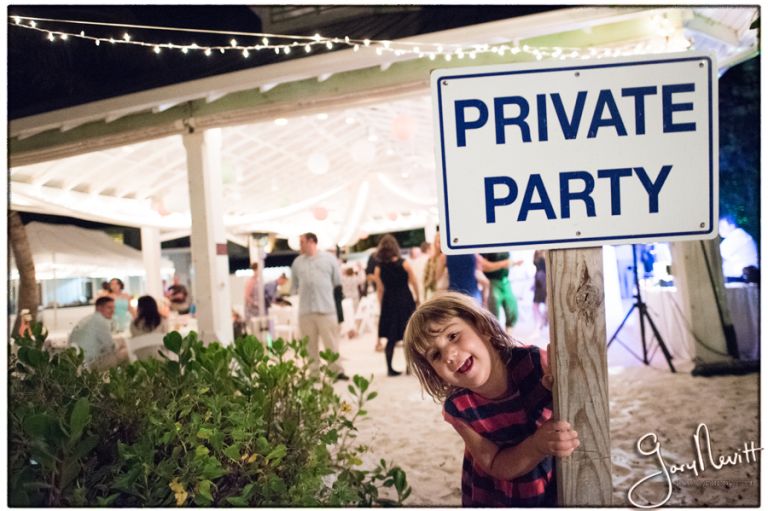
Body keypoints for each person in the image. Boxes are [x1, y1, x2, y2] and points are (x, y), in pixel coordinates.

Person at [403, 292, 579, 506]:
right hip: (496, 497)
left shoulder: (535, 364)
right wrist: (536, 446)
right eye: (436, 355)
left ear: (482, 328)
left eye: (453, 336)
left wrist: (558, 386)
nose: (449, 355)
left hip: (551, 488)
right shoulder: (459, 407)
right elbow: (494, 463)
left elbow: (573, 406)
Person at [290, 232, 348, 380]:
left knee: (332, 343)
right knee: (310, 345)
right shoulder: (297, 263)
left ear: (311, 241)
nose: (299, 245)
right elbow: (294, 286)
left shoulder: (329, 259)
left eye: (301, 242)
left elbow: (337, 283)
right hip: (306, 311)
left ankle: (336, 371)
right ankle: (313, 374)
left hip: (327, 309)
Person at [373, 234, 419, 376]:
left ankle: (389, 368)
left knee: (391, 337)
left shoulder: (378, 268)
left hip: (389, 302)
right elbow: (414, 281)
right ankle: (409, 367)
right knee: (408, 335)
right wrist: (418, 297)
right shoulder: (404, 263)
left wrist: (381, 305)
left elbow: (380, 289)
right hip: (405, 299)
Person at [68, 296, 129, 370]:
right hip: (90, 364)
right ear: (98, 308)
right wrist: (121, 343)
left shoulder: (88, 319)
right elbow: (111, 347)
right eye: (109, 308)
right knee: (127, 352)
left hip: (76, 363)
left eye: (113, 307)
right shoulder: (101, 321)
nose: (113, 311)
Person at [479, 252, 523, 330]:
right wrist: (503, 264)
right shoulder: (486, 249)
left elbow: (508, 263)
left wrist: (514, 263)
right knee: (493, 312)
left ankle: (509, 336)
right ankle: (495, 335)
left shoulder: (506, 248)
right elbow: (483, 266)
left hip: (505, 281)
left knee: (512, 308)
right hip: (492, 281)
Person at [719, 215, 759, 282]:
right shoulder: (740, 235)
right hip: (740, 278)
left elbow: (716, 256)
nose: (719, 230)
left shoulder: (736, 236)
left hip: (741, 279)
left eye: (722, 227)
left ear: (732, 226)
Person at [532, 250, 548, 332]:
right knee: (535, 306)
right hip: (538, 281)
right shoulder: (536, 253)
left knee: (546, 304)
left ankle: (543, 322)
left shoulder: (545, 252)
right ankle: (540, 322)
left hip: (544, 281)